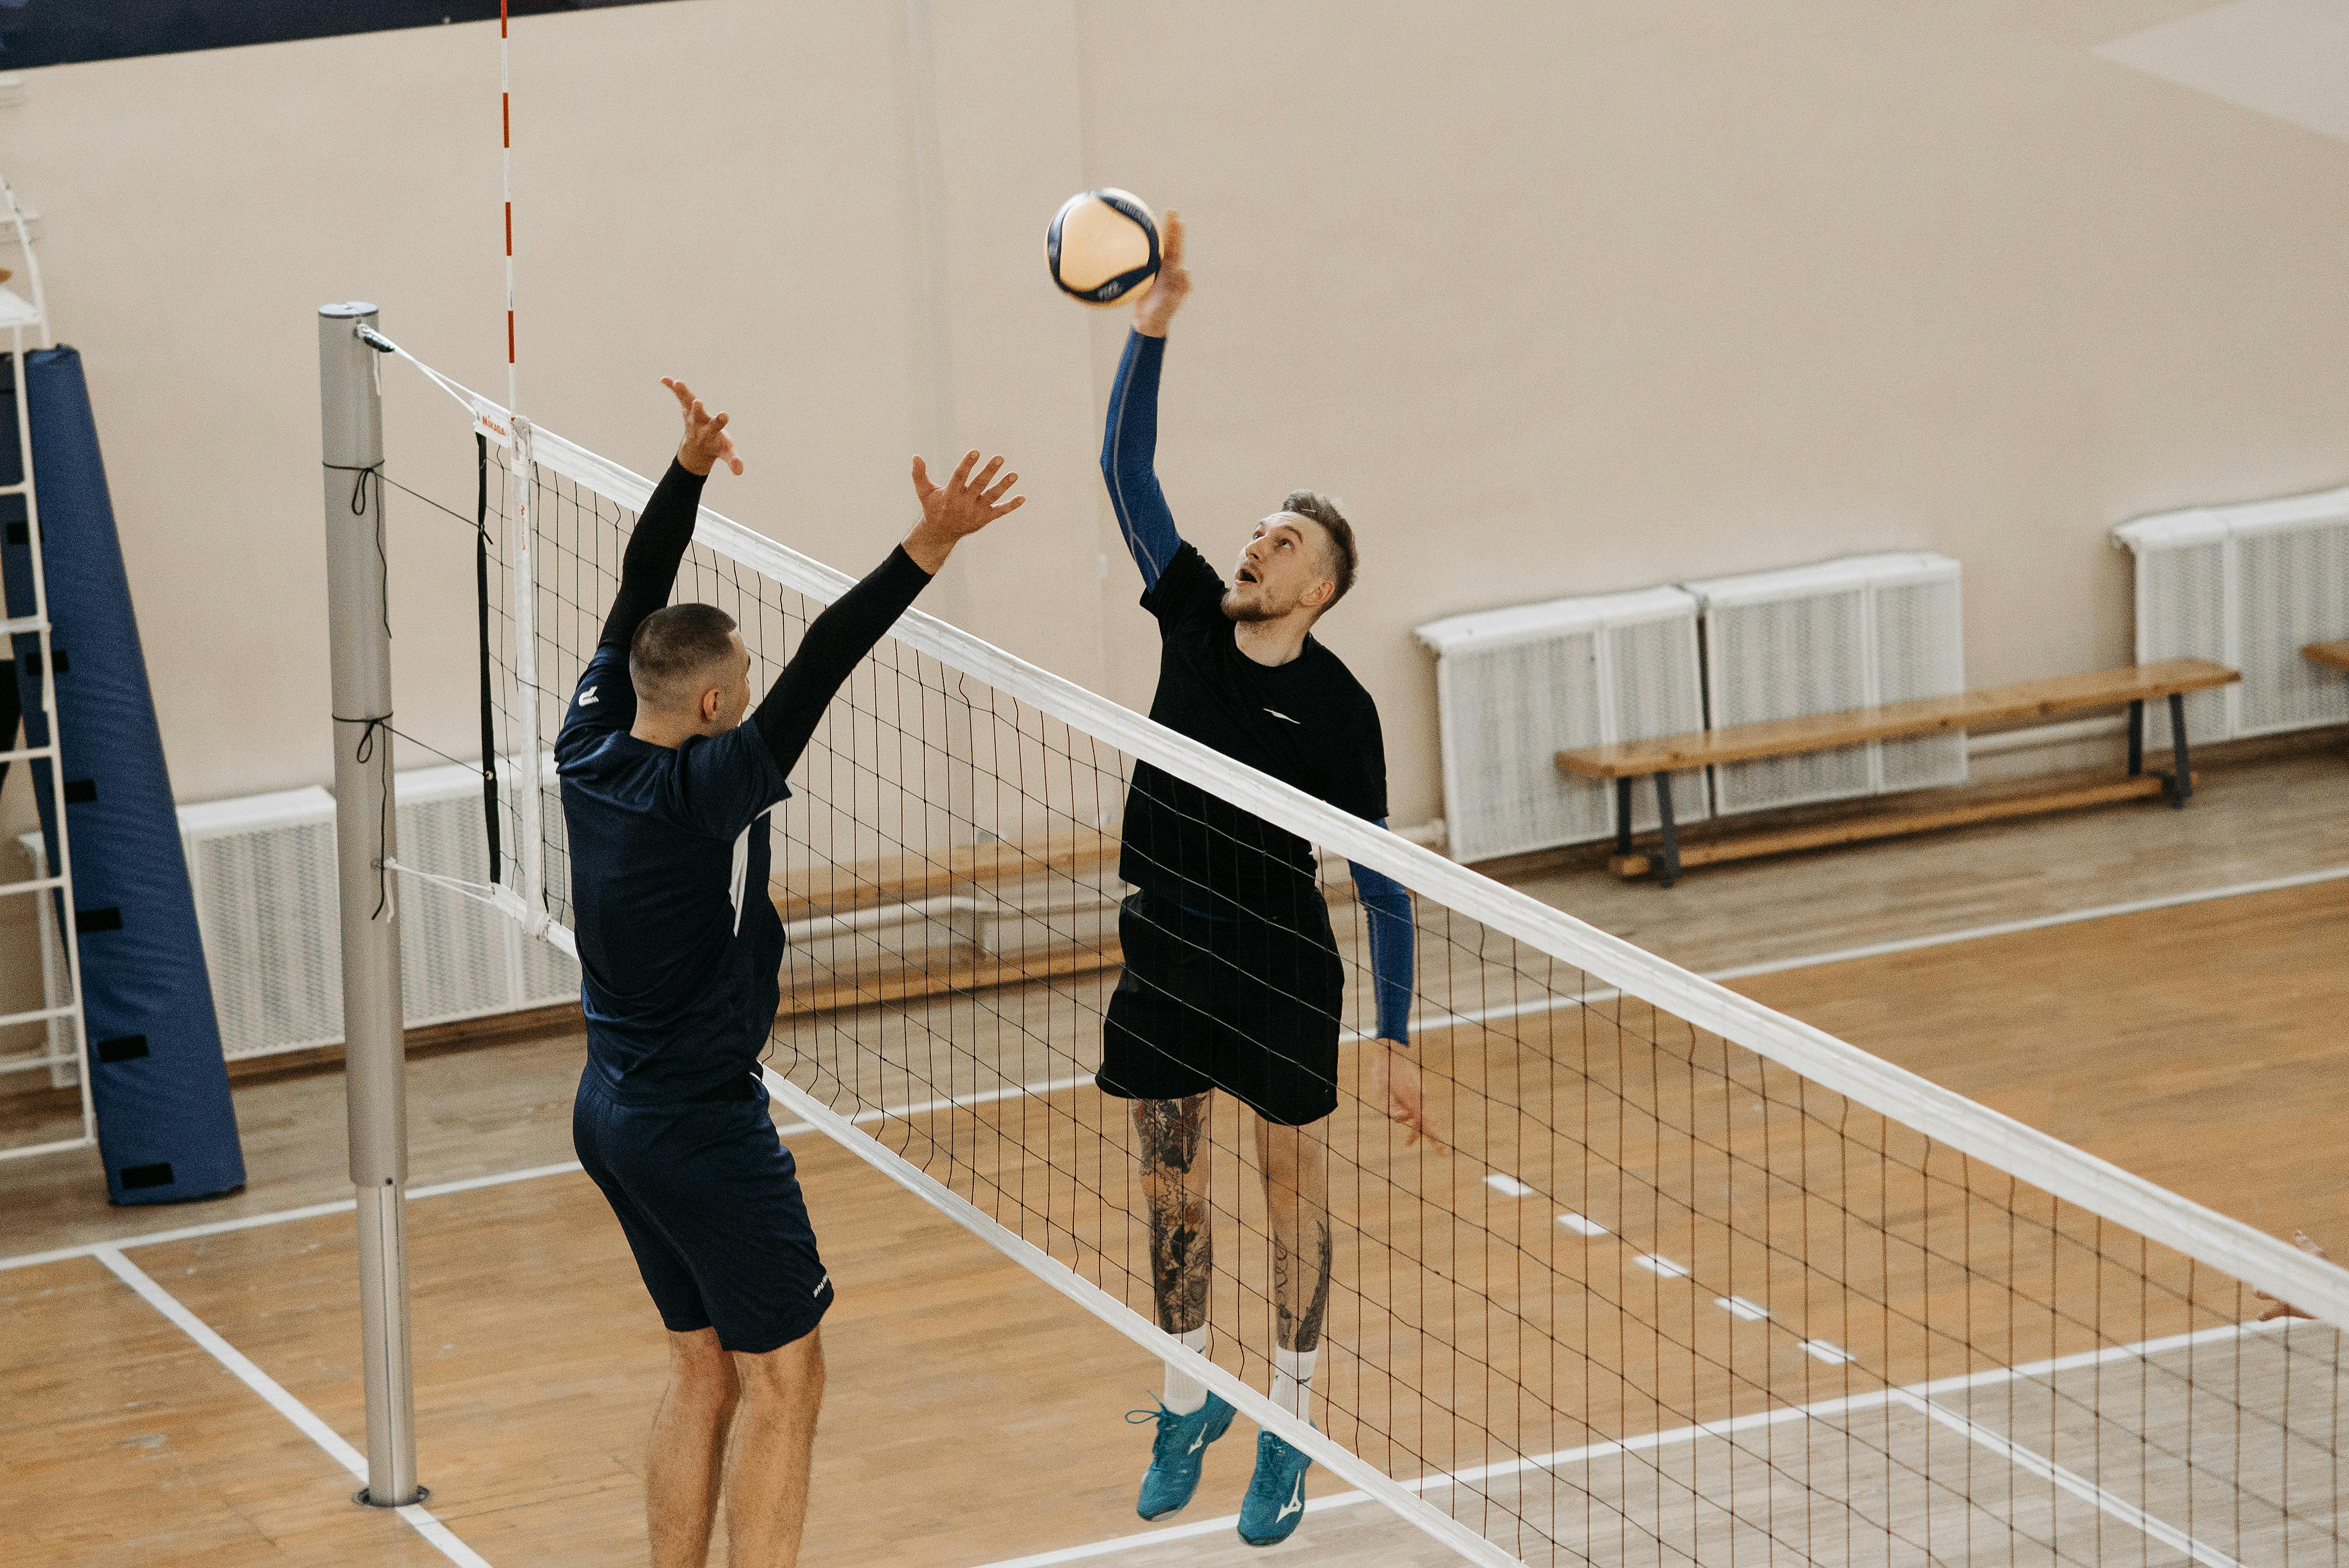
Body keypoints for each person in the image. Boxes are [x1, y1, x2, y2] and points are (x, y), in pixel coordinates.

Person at [561, 379, 1023, 1568]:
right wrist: (928, 542)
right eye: (744, 686)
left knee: (702, 1364)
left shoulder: (588, 740)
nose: (758, 695)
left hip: (608, 1107)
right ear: (714, 703)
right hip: (698, 1126)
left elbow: (636, 595)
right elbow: (831, 652)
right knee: (788, 1379)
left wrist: (688, 472)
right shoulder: (705, 786)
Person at [1092, 211, 1434, 1549]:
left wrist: (1396, 1035)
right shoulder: (1191, 615)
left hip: (1284, 967)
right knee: (1168, 1180)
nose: (1256, 541)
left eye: (1284, 540)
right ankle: (1189, 1400)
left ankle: (1287, 1426)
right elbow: (1123, 465)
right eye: (1258, 529)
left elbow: (1383, 880)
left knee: (1293, 1191)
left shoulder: (1342, 709)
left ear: (1323, 583)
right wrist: (1152, 324)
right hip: (1166, 947)